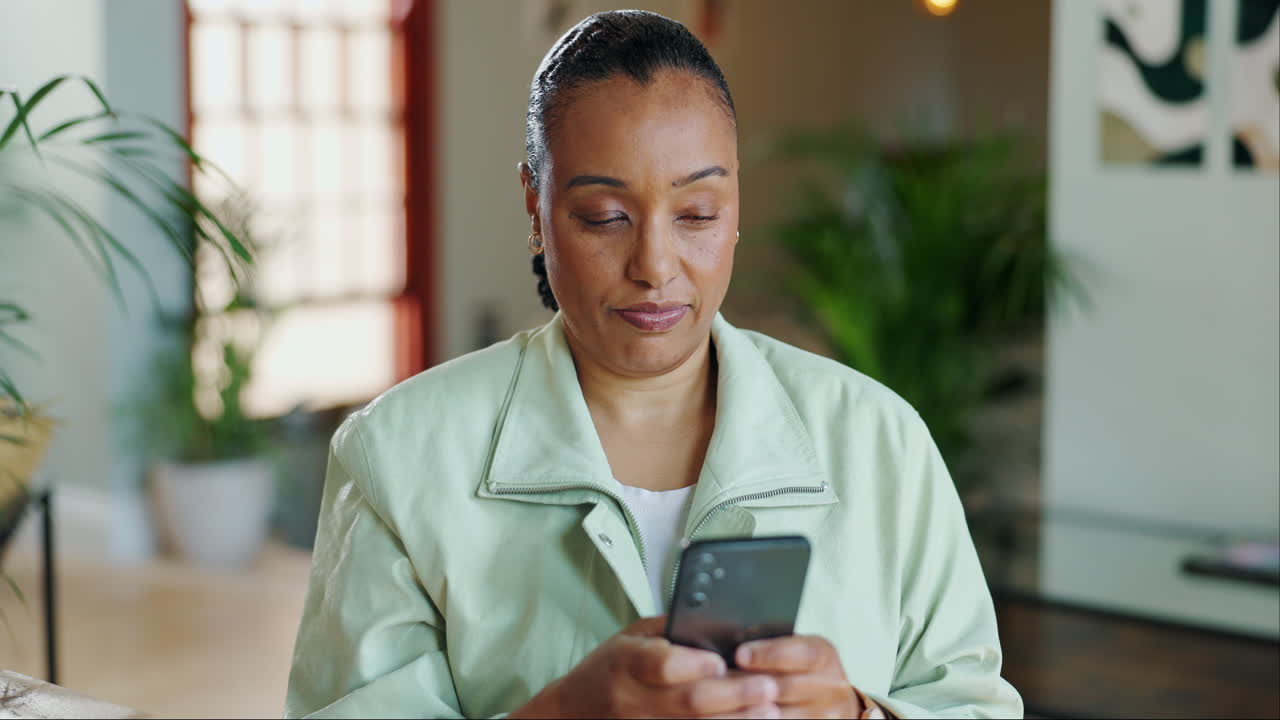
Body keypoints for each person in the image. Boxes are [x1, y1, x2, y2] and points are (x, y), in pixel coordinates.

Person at [285, 10, 1022, 719]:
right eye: (605, 218)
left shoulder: (879, 439)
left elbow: (970, 704)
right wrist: (564, 715)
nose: (655, 265)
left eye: (697, 214)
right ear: (535, 205)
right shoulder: (399, 455)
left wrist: (854, 714)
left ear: (737, 205)